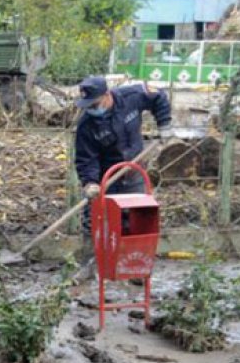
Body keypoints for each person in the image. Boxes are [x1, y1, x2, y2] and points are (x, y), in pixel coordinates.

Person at [74, 76, 172, 278]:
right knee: (93, 220)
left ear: (107, 95)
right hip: (106, 177)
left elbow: (158, 96)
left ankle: (136, 269)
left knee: (137, 220)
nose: (92, 109)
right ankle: (89, 265)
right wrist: (90, 182)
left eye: (95, 104)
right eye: (88, 105)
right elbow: (86, 158)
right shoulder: (86, 125)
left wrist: (164, 124)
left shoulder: (132, 96)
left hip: (135, 169)